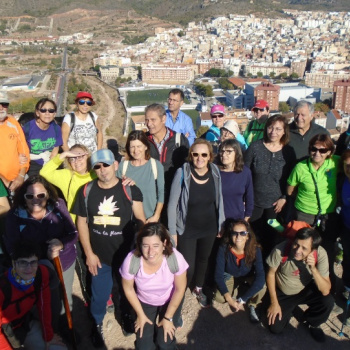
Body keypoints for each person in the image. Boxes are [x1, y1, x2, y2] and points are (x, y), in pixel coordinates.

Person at [72, 149, 146, 348]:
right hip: (100, 257)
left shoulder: (130, 189)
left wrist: (143, 250)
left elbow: (140, 221)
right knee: (99, 295)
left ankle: (127, 317)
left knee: (126, 291)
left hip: (127, 255)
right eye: (97, 166)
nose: (102, 170)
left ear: (115, 165)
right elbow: (82, 223)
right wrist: (88, 253)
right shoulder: (86, 191)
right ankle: (96, 324)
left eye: (106, 164)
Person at [4, 175, 78, 312]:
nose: (36, 200)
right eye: (30, 196)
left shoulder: (58, 205)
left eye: (41, 195)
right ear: (23, 197)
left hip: (63, 261)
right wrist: (29, 259)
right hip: (32, 267)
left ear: (48, 194)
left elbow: (73, 233)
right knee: (41, 300)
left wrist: (61, 244)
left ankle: (64, 327)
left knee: (65, 297)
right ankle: (49, 329)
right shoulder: (14, 216)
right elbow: (12, 246)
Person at [167, 139, 225, 308]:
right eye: (196, 154)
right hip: (186, 229)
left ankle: (198, 288)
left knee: (203, 260)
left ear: (209, 157)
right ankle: (180, 292)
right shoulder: (182, 173)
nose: (200, 158)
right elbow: (172, 205)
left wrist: (221, 222)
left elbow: (219, 199)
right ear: (191, 156)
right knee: (187, 266)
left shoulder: (214, 171)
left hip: (209, 227)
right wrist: (172, 232)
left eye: (204, 154)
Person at [120, 223, 188, 350]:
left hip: (170, 300)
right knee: (144, 346)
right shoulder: (131, 261)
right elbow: (128, 289)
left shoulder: (175, 259)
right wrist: (140, 315)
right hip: (145, 301)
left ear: (164, 243)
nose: (151, 252)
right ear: (140, 244)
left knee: (165, 341)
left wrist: (168, 318)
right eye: (146, 246)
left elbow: (180, 289)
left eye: (156, 246)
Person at [287, 134, 340, 284]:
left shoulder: (335, 163)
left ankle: (326, 278)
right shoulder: (301, 167)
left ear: (329, 152)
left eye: (322, 151)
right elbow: (290, 189)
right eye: (313, 149)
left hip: (327, 215)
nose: (317, 153)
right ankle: (300, 280)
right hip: (305, 214)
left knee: (327, 248)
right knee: (302, 248)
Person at [266, 228, 334, 342]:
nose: (297, 250)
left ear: (313, 250)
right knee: (275, 328)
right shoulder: (280, 249)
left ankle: (313, 323)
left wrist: (313, 268)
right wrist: (274, 303)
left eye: (304, 248)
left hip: (305, 289)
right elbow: (270, 274)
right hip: (284, 292)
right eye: (296, 245)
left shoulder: (321, 254)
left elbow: (326, 290)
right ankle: (288, 309)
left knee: (327, 301)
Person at [0, 242, 66, 350]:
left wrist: (48, 336)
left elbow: (44, 306)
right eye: (23, 263)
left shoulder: (41, 274)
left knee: (58, 348)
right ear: (13, 263)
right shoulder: (2, 288)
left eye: (33, 262)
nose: (29, 268)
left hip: (25, 325)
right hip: (4, 333)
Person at [244, 115, 295, 255]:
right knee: (251, 236)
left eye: (278, 129)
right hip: (254, 201)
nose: (273, 132)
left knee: (272, 238)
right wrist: (244, 197)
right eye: (271, 127)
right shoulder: (255, 147)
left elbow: (291, 178)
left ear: (284, 131)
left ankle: (267, 269)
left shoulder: (288, 152)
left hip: (276, 204)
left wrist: (284, 197)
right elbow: (244, 174)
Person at [214, 219, 266, 323]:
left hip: (248, 275)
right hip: (230, 275)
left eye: (242, 233)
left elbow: (260, 277)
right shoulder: (224, 248)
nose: (238, 237)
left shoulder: (255, 249)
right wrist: (229, 299)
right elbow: (218, 275)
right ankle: (237, 291)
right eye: (235, 233)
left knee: (262, 287)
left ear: (248, 236)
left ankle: (252, 304)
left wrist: (242, 300)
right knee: (219, 298)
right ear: (230, 235)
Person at [145, 103, 189, 224]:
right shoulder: (143, 141)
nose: (149, 124)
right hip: (151, 198)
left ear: (163, 119)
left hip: (173, 196)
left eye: (153, 120)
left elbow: (186, 168)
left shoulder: (178, 140)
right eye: (147, 120)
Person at [117, 130, 165, 223]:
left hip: (150, 220)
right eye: (132, 147)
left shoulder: (156, 166)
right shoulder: (123, 167)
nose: (136, 151)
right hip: (128, 222)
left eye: (139, 146)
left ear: (146, 146)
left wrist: (156, 216)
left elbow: (161, 193)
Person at [40, 144, 95, 222]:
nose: (76, 161)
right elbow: (44, 173)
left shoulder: (97, 173)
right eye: (72, 158)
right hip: (74, 222)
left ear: (88, 157)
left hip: (94, 222)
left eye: (80, 156)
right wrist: (63, 154)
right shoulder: (67, 176)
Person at [22, 98, 62, 176]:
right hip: (32, 164)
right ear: (37, 113)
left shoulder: (56, 128)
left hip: (49, 161)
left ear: (54, 114)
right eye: (43, 110)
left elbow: (55, 151)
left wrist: (49, 167)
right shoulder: (28, 128)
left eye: (51, 111)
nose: (47, 113)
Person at [0, 91, 30, 192]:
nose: (1, 108)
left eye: (4, 104)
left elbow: (24, 151)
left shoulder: (13, 123)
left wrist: (21, 176)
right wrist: (5, 182)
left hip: (18, 178)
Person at [217, 139, 253, 221]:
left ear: (237, 153)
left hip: (237, 218)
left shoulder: (245, 172)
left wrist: (247, 217)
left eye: (228, 151)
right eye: (222, 151)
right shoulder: (215, 172)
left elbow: (249, 196)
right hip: (216, 219)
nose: (224, 154)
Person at [339, 150, 350, 315]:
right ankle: (346, 291)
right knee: (347, 262)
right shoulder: (343, 181)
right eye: (347, 165)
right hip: (346, 228)